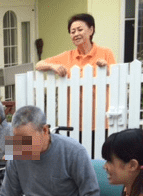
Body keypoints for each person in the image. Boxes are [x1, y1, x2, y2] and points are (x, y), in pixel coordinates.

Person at [35, 13, 116, 147]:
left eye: (80, 29)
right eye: (72, 31)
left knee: (98, 158)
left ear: (91, 30)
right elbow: (39, 65)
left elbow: (115, 78)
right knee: (76, 159)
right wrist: (53, 66)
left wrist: (105, 68)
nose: (76, 34)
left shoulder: (105, 53)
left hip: (100, 120)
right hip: (74, 121)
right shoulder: (68, 56)